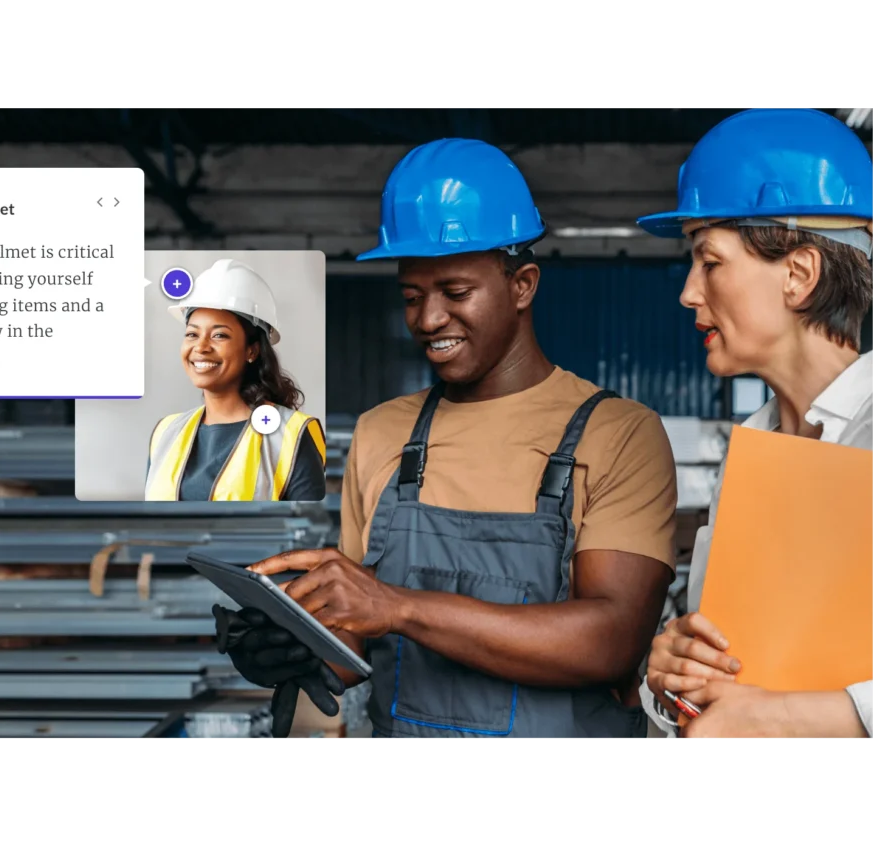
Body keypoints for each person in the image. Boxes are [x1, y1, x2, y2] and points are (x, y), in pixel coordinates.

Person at [214, 138, 680, 741]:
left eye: (456, 293)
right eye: (412, 297)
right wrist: (296, 644)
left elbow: (610, 642)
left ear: (523, 285)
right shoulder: (386, 433)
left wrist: (401, 607)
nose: (429, 319)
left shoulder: (617, 434)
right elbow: (359, 631)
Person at [635, 107, 874, 741]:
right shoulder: (752, 455)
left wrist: (790, 720)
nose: (689, 292)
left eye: (709, 262)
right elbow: (723, 687)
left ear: (798, 274)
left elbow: (760, 714)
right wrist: (668, 680)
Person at [144, 258, 326, 502]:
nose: (201, 347)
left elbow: (310, 532)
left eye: (219, 335)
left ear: (252, 350)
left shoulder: (294, 433)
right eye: (192, 334)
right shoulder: (165, 432)